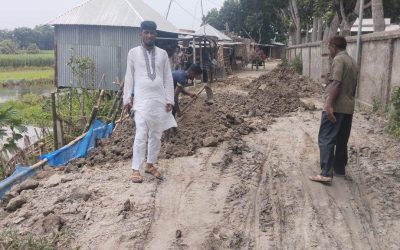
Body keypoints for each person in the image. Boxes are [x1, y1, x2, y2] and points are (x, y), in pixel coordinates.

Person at [123, 20, 177, 183]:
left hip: (159, 101)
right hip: (141, 101)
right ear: (141, 34)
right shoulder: (133, 53)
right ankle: (135, 169)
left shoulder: (162, 54)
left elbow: (168, 78)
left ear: (156, 34)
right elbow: (129, 76)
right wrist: (127, 98)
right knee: (141, 133)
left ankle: (150, 164)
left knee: (156, 134)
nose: (149, 35)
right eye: (146, 32)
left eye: (152, 32)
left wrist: (170, 99)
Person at [310, 36, 359, 183]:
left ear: (334, 47)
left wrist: (329, 105)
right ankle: (339, 170)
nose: (328, 50)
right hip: (348, 107)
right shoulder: (352, 61)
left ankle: (325, 173)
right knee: (341, 140)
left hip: (336, 106)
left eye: (329, 47)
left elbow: (336, 83)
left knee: (326, 138)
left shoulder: (338, 60)